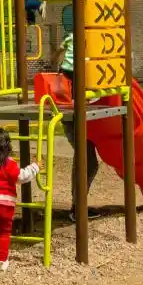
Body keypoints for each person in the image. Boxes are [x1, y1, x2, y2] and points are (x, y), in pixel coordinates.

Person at [0, 127, 39, 275]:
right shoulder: (9, 163)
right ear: (6, 146)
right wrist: (35, 167)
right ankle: (2, 260)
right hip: (6, 204)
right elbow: (21, 177)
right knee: (4, 233)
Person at [51, 31, 99, 222]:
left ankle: (78, 205)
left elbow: (57, 52)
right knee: (87, 160)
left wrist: (54, 66)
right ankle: (77, 208)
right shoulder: (90, 43)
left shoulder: (72, 37)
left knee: (86, 158)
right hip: (71, 113)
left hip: (69, 102)